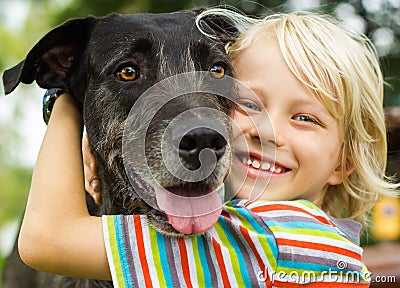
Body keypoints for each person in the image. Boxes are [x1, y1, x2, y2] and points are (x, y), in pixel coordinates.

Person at [17, 9, 398, 287]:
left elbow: (46, 239)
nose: (269, 133)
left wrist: (64, 100)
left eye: (215, 74)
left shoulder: (276, 245)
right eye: (248, 104)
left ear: (343, 163)